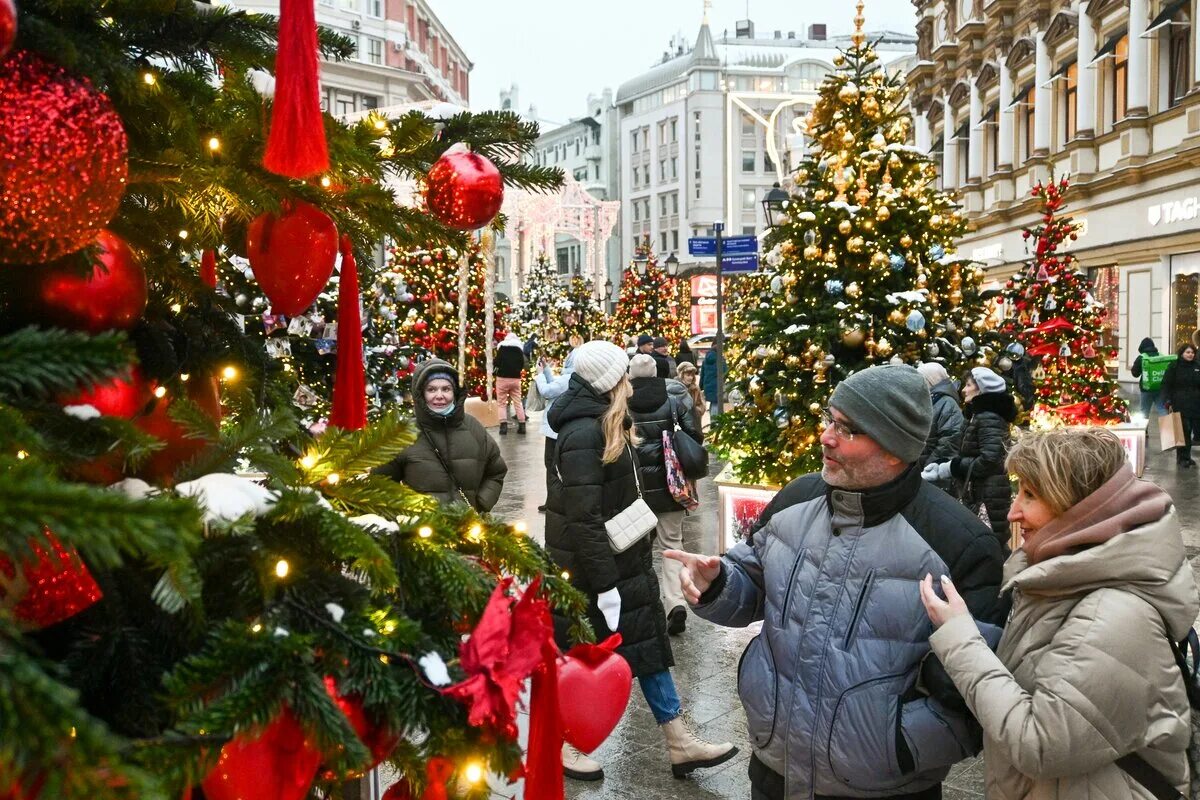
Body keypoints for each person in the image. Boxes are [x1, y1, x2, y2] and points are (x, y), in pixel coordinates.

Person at [666, 365, 1006, 800]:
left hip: (884, 788)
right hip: (775, 770)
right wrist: (718, 583)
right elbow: (750, 587)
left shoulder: (959, 543)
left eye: (847, 429)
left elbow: (969, 690)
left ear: (895, 447)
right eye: (830, 419)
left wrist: (896, 748)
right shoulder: (796, 499)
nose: (826, 436)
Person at [920, 427, 1199, 800]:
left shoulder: (1114, 612)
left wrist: (960, 640)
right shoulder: (1066, 575)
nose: (1015, 511)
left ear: (1080, 507)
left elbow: (1041, 744)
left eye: (1031, 495)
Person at [545, 340, 737, 782]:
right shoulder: (583, 432)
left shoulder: (605, 421)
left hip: (620, 561)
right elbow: (583, 516)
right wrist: (607, 583)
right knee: (581, 655)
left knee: (649, 650)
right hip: (593, 569)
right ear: (610, 381)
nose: (630, 382)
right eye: (624, 374)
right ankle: (564, 743)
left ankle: (678, 741)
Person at [628, 354, 704, 636]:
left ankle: (644, 605)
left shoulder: (621, 400)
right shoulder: (674, 395)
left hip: (635, 490)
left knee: (637, 548)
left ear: (630, 374)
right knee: (671, 545)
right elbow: (694, 434)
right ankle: (674, 602)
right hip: (671, 488)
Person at [375, 360, 506, 512]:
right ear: (421, 394)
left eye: (446, 389)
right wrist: (405, 512)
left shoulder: (473, 428)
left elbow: (496, 471)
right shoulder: (403, 434)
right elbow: (380, 483)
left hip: (469, 529)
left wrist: (481, 503)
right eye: (431, 389)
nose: (439, 396)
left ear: (455, 392)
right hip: (422, 530)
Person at [923, 367, 1015, 546]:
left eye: (968, 385)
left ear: (981, 389)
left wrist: (952, 467)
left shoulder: (989, 418)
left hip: (988, 495)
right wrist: (945, 466)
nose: (964, 390)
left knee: (989, 544)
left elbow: (990, 459)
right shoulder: (977, 416)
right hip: (979, 492)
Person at [533, 334, 582, 513]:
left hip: (554, 430)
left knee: (551, 466)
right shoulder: (572, 378)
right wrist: (546, 371)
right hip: (562, 429)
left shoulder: (568, 379)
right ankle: (554, 499)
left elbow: (547, 391)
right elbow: (554, 384)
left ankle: (553, 500)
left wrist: (539, 376)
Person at [917, 362, 964, 474]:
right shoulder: (930, 400)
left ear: (931, 380)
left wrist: (929, 467)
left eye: (922, 379)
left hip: (932, 471)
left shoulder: (946, 402)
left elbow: (951, 440)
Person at [1162, 343, 1200, 469]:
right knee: (1184, 431)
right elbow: (1166, 384)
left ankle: (1187, 457)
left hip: (1195, 404)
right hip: (1180, 403)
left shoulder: (1197, 366)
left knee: (1192, 431)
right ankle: (1182, 458)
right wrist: (1167, 401)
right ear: (1182, 353)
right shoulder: (1174, 366)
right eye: (1188, 352)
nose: (1190, 355)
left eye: (1192, 353)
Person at [494, 332, 527, 435]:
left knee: (501, 403)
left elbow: (496, 363)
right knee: (518, 402)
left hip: (502, 378)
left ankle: (503, 426)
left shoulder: (502, 348)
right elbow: (522, 364)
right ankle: (522, 426)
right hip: (515, 379)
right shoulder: (519, 350)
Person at [1130, 337, 1163, 419]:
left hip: (1146, 389)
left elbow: (1135, 374)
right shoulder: (1161, 356)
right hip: (1160, 388)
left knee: (1144, 411)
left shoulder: (1142, 357)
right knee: (1162, 409)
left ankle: (1144, 431)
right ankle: (1167, 430)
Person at [675, 361, 705, 432]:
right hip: (679, 426)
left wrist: (695, 411)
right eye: (688, 375)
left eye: (692, 375)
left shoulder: (695, 389)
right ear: (681, 374)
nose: (690, 378)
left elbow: (701, 405)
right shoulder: (675, 387)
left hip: (693, 425)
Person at [700, 336, 723, 422]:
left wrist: (701, 386)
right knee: (716, 405)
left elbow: (702, 373)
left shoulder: (707, 358)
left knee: (713, 404)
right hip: (717, 386)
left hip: (709, 386)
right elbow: (725, 371)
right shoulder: (719, 358)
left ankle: (713, 422)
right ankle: (715, 423)